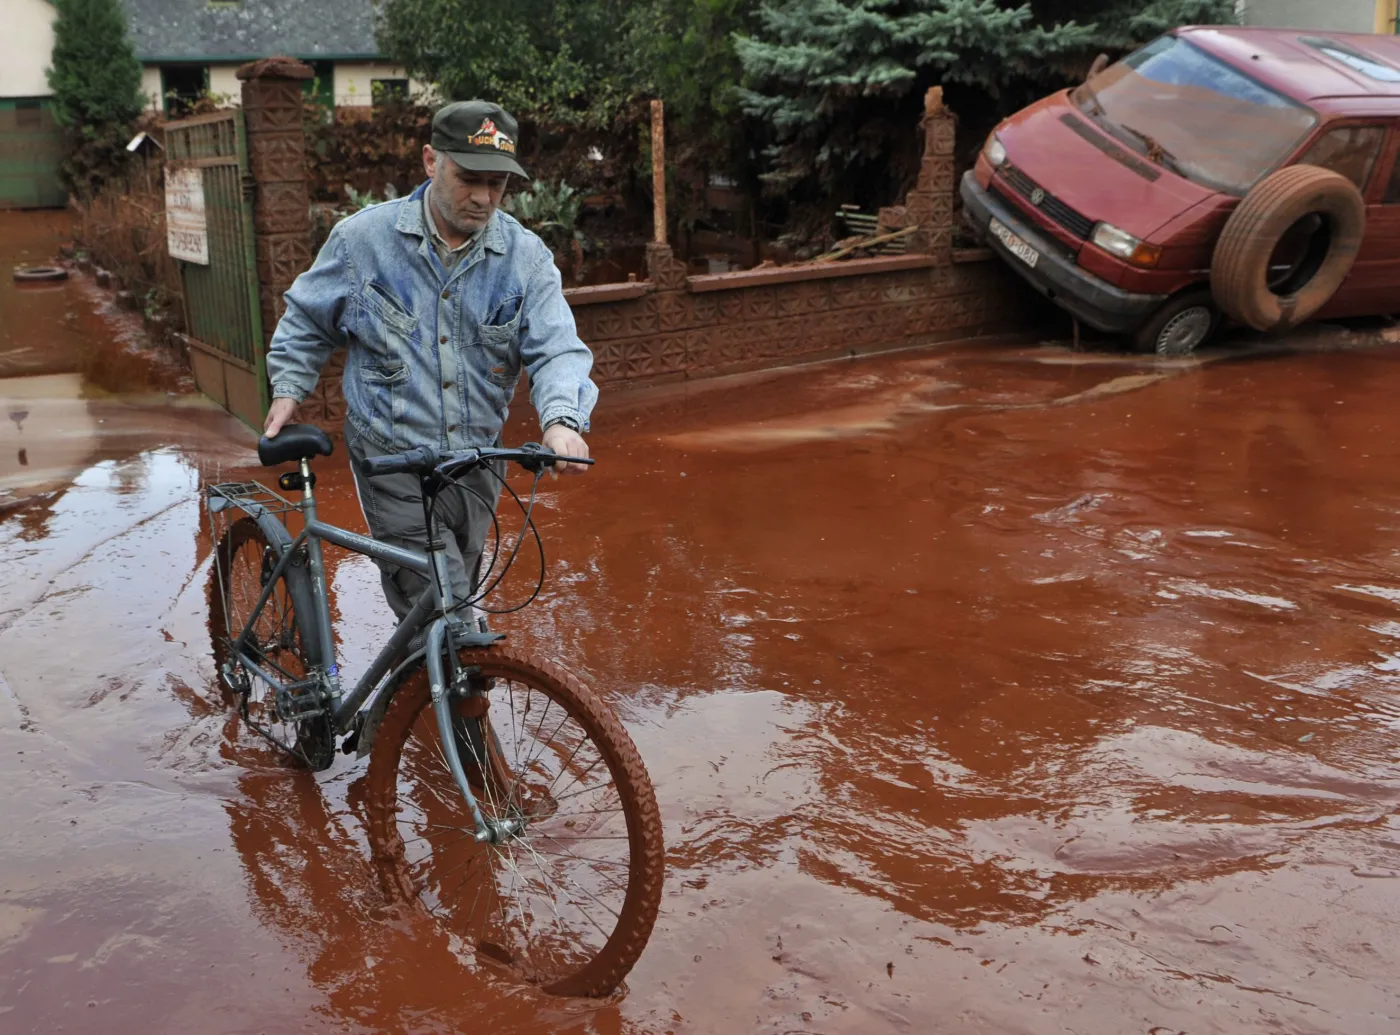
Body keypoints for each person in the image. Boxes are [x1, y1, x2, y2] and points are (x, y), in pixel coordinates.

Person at [262, 100, 597, 619]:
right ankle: (434, 692)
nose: (485, 198)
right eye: (469, 179)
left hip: (477, 462)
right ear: (429, 161)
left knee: (457, 588)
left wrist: (561, 421)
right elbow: (308, 319)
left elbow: (557, 347)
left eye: (498, 185)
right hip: (391, 459)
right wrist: (288, 387)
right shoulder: (362, 242)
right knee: (441, 614)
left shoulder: (526, 259)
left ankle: (425, 691)